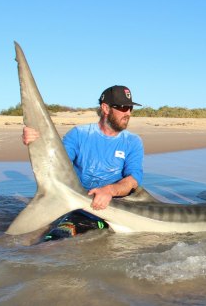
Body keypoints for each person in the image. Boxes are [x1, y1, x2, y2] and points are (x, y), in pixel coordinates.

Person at [22, 85, 144, 239]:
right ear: (105, 108)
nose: (128, 112)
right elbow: (56, 164)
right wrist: (36, 141)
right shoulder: (79, 135)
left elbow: (133, 180)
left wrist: (109, 191)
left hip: (119, 208)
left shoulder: (133, 141)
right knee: (52, 243)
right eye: (123, 107)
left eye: (130, 108)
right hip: (81, 206)